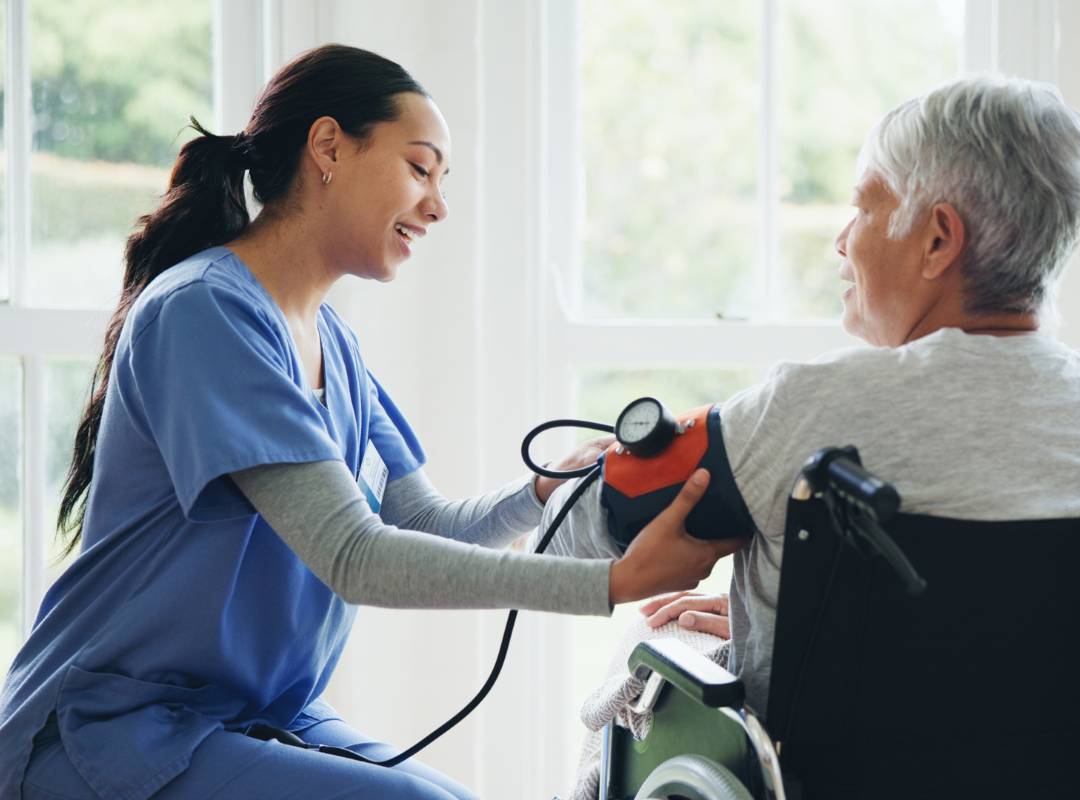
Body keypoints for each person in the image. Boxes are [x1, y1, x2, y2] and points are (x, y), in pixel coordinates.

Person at [0, 44, 743, 799]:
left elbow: (420, 522)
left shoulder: (335, 346)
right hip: (113, 729)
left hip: (249, 714)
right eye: (421, 169)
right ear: (328, 147)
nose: (438, 205)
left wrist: (539, 494)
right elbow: (353, 555)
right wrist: (614, 583)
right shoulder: (206, 312)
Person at [535, 74, 1080, 716]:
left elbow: (571, 536)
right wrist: (795, 636)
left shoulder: (814, 414)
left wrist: (562, 481)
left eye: (865, 208)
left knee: (654, 639)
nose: (842, 241)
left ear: (938, 241)